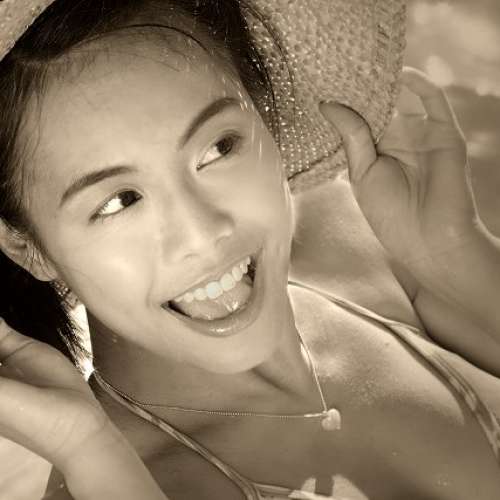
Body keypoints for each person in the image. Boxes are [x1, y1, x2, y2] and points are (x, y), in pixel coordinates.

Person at [0, 0, 499, 499]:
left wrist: (455, 252)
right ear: (26, 247)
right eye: (119, 202)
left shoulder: (362, 236)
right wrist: (86, 447)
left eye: (218, 148)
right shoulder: (118, 480)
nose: (202, 234)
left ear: (264, 112)